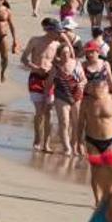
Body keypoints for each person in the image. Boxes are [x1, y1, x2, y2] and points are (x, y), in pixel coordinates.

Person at [20, 18, 64, 152]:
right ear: (48, 30)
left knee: (48, 112)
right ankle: (37, 138)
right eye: (57, 31)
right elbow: (23, 59)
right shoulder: (35, 40)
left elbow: (65, 59)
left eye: (59, 32)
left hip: (50, 79)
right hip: (35, 77)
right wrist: (35, 67)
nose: (59, 34)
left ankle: (47, 143)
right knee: (39, 111)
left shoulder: (57, 45)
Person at [79, 40, 112, 157]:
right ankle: (81, 141)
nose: (89, 54)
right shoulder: (83, 65)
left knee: (110, 116)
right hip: (88, 96)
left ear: (97, 51)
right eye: (87, 52)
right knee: (88, 120)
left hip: (104, 96)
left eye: (91, 52)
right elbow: (80, 83)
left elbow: (110, 80)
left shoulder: (105, 64)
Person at [45, 43, 87, 155]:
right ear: (59, 54)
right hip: (61, 96)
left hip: (77, 96)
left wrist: (81, 84)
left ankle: (74, 145)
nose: (66, 55)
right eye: (63, 53)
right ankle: (67, 147)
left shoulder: (77, 63)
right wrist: (47, 98)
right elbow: (49, 84)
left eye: (68, 52)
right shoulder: (56, 67)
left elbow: (84, 79)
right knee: (64, 122)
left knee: (76, 123)